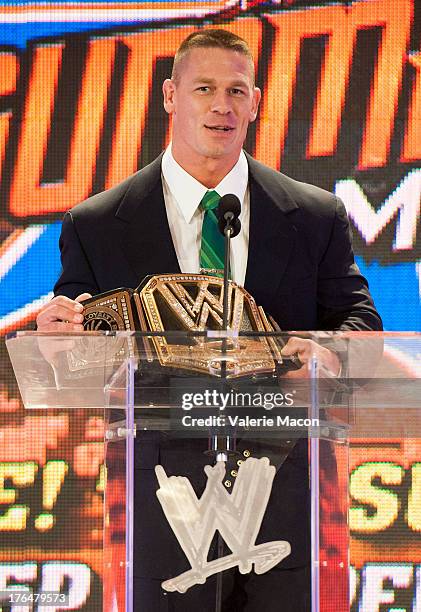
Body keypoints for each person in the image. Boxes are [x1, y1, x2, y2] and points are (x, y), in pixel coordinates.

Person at [36, 29, 382, 611]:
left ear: (256, 102)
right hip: (159, 505)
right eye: (204, 88)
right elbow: (72, 345)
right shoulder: (96, 223)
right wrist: (57, 343)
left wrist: (329, 355)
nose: (221, 105)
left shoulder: (315, 216)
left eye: (236, 90)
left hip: (285, 497)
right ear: (171, 96)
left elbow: (361, 324)